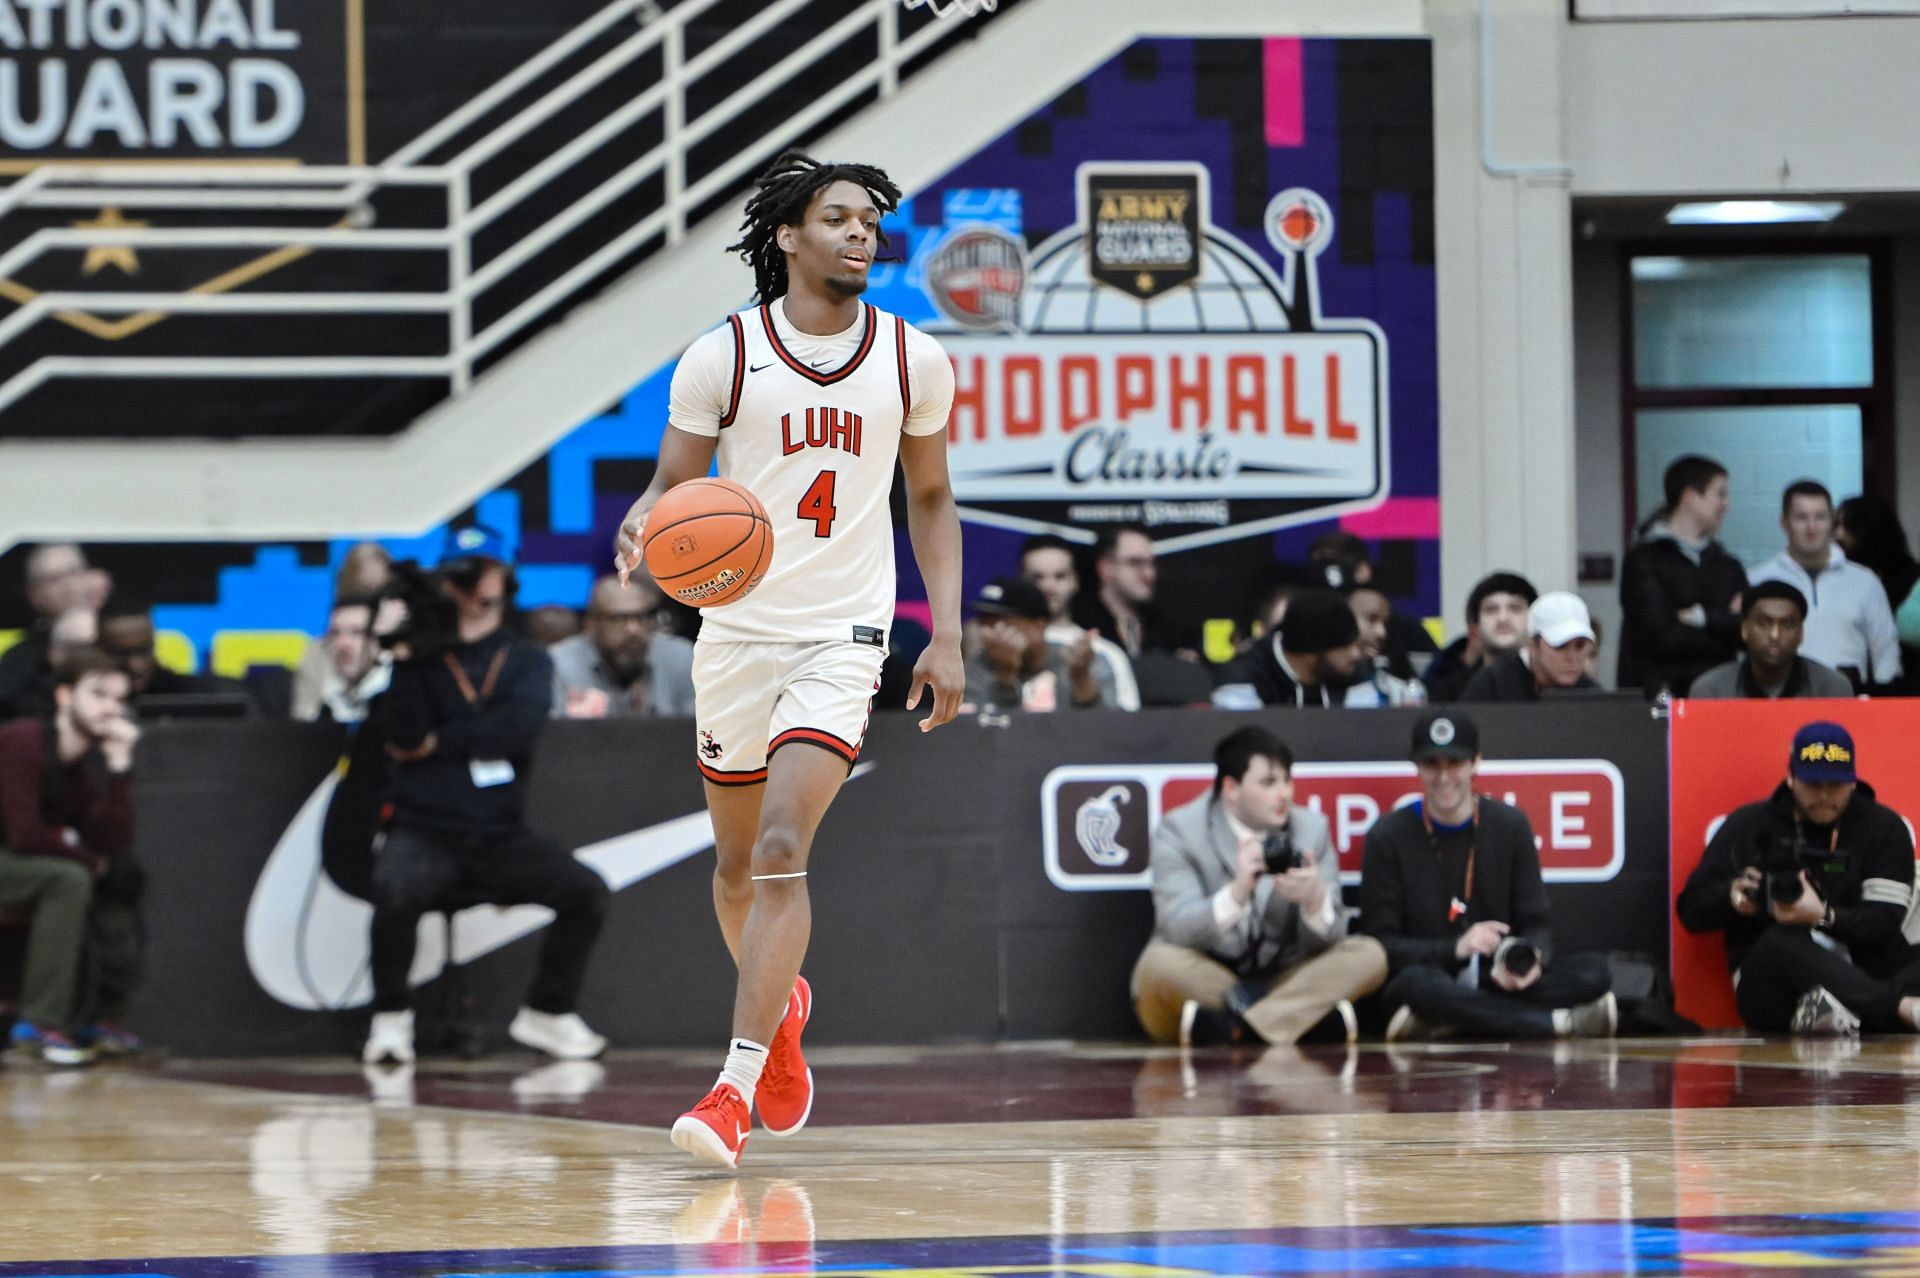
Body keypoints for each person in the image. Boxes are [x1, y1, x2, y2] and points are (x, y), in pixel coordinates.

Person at [611, 150, 964, 1168]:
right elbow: (673, 488)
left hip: (843, 637)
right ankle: (785, 1017)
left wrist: (943, 631)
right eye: (840, 218)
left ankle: (729, 1090)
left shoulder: (912, 359)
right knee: (732, 871)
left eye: (869, 221)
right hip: (736, 636)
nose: (863, 233)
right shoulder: (721, 356)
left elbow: (931, 500)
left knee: (778, 851)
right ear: (788, 236)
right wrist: (645, 522)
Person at [362, 530, 612, 1068]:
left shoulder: (525, 660)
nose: (466, 584)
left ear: (501, 580)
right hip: (425, 828)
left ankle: (548, 1009)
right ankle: (390, 1017)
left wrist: (442, 740)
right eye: (457, 573)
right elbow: (403, 739)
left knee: (585, 891)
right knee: (393, 886)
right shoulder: (421, 658)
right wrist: (403, 652)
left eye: (476, 571)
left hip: (497, 834)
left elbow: (514, 731)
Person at [1359, 711, 1617, 1041]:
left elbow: (1536, 922)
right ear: (1418, 768)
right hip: (1431, 975)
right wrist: (1455, 948)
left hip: (1496, 975)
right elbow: (1381, 946)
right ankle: (1553, 1025)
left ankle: (1452, 1020)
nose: (1443, 776)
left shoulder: (1510, 825)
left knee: (1595, 972)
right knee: (1417, 985)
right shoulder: (1388, 834)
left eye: (1454, 763)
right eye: (1431, 765)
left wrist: (1529, 958)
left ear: (1475, 763)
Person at [1132, 726, 1387, 1047]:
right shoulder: (1179, 831)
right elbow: (1178, 929)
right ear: (1231, 788)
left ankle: (1242, 1031)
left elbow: (1333, 935)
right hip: (1211, 978)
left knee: (1370, 955)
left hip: (1286, 977)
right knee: (1157, 966)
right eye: (1269, 783)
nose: (1285, 794)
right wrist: (1236, 893)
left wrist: (1314, 901)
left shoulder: (1311, 829)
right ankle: (1290, 1023)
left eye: (1287, 781)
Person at [1676, 721, 1920, 1034]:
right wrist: (1734, 899)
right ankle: (1899, 1010)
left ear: (1853, 782)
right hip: (1775, 982)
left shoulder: (1883, 828)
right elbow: (1690, 908)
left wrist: (1822, 916)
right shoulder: (1748, 825)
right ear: (1791, 778)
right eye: (1813, 784)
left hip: (1866, 969)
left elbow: (1882, 926)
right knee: (1782, 942)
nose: (1823, 796)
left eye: (1834, 786)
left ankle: (1846, 1012)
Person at [0, 649, 142, 1064]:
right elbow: (24, 835)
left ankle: (96, 1017)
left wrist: (119, 767)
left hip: (13, 867)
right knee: (69, 877)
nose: (110, 709)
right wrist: (86, 858)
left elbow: (113, 839)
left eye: (119, 700)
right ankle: (41, 1024)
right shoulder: (21, 741)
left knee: (120, 876)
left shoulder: (80, 770)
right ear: (64, 696)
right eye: (99, 694)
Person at [1747, 481, 1900, 690]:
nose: (1812, 527)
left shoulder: (1865, 582)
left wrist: (1885, 702)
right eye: (1801, 517)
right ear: (1784, 523)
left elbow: (1886, 652)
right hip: (1777, 704)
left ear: (1832, 521)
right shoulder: (1757, 580)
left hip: (1849, 703)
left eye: (1820, 517)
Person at [1618, 455, 1747, 696]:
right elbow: (1660, 636)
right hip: (1661, 698)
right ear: (1690, 496)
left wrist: (1702, 617)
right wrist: (1723, 626)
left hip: (1719, 696)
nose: (1726, 504)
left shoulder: (1728, 565)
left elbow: (1747, 631)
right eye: (1720, 494)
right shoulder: (1643, 559)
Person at [549, 573, 695, 719]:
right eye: (619, 619)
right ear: (591, 625)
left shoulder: (679, 657)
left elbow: (700, 729)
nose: (634, 630)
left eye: (641, 617)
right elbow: (553, 736)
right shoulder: (559, 664)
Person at [1020, 534, 1138, 710]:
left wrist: (1083, 679)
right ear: (1022, 581)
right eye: (1038, 578)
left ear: (1075, 581)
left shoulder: (1106, 653)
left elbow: (1128, 728)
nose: (1048, 587)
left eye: (1059, 576)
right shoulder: (999, 646)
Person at [962, 578, 1117, 711]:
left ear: (1039, 626)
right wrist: (1005, 678)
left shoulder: (1083, 662)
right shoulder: (974, 669)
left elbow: (1107, 733)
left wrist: (1082, 681)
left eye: (1001, 623)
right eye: (983, 624)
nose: (987, 634)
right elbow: (983, 735)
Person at [1688, 582, 1855, 700]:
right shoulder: (1711, 690)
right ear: (1744, 629)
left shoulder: (1831, 688)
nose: (1775, 635)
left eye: (1787, 624)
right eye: (1763, 623)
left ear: (1801, 634)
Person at [0, 544, 110, 720]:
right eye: (54, 579)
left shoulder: (116, 634)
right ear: (34, 596)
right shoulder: (18, 658)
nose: (67, 584)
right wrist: (56, 654)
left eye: (74, 572)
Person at [1210, 589, 1362, 709]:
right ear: (1310, 653)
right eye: (1345, 646)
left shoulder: (1353, 674)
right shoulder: (1242, 680)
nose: (1356, 654)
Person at [1071, 526, 1196, 662]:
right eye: (1135, 563)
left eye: (1151, 564)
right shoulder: (1077, 626)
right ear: (1106, 568)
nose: (1149, 574)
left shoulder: (1168, 628)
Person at [1460, 591, 1600, 702]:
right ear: (1532, 645)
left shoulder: (1590, 695)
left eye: (1580, 645)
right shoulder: (1491, 687)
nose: (1572, 657)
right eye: (1560, 645)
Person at [1423, 572, 1536, 704]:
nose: (1503, 619)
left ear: (1534, 621)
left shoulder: (1548, 685)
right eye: (1491, 610)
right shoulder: (1449, 693)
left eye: (1515, 608)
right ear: (1475, 627)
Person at [292, 596, 392, 725]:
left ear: (378, 638)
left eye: (357, 632)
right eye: (335, 633)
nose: (342, 643)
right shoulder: (317, 664)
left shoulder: (399, 678)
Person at [1342, 583, 1426, 707]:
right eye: (1372, 619)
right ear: (1345, 619)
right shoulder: (1318, 687)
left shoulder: (1397, 688)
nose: (1382, 633)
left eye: (1384, 623)